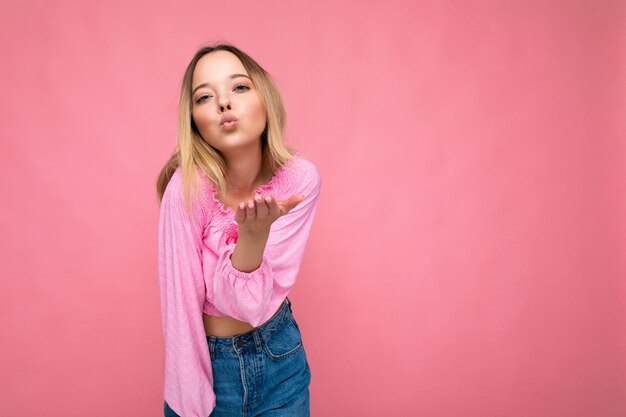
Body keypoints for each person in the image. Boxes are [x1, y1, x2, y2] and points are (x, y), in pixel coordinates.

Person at [155, 43, 321, 417]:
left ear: (266, 99)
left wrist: (252, 236)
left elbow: (251, 305)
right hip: (210, 369)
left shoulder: (299, 181)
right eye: (204, 97)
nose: (223, 103)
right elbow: (178, 307)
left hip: (281, 360)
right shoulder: (185, 190)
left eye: (240, 87)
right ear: (194, 119)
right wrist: (190, 401)